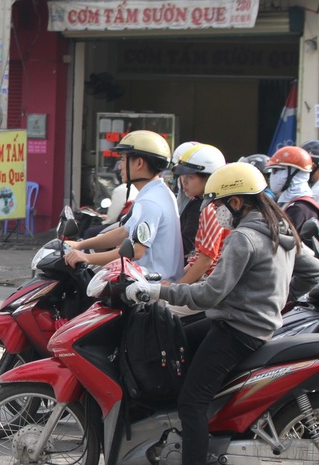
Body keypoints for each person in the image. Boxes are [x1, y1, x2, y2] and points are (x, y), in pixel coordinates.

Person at [125, 162, 302, 465]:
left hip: (237, 331)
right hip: (246, 323)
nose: (216, 211)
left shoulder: (243, 238)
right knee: (173, 338)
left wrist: (159, 291)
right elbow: (311, 272)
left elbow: (208, 295)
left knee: (191, 402)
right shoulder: (282, 229)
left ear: (236, 202)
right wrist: (279, 296)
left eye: (219, 204)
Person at [65, 130, 184, 282]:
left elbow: (136, 250)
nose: (120, 166)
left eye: (123, 159)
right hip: (149, 282)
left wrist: (87, 257)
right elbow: (124, 232)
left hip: (150, 288)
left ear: (139, 163)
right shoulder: (159, 192)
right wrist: (80, 245)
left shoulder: (150, 202)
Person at [172, 143, 228, 284]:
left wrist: (176, 288)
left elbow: (206, 260)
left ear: (210, 178)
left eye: (190, 177)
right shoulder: (208, 205)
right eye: (182, 176)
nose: (183, 182)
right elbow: (198, 258)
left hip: (212, 283)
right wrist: (174, 281)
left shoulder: (212, 208)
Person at [266, 146, 319, 236]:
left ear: (294, 172)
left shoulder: (299, 209)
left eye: (277, 170)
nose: (273, 176)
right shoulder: (292, 203)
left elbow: (281, 242)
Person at [82, 160, 138, 239]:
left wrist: (105, 220)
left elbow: (111, 220)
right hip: (128, 226)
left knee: (89, 232)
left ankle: (83, 251)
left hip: (121, 228)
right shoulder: (138, 188)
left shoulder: (121, 189)